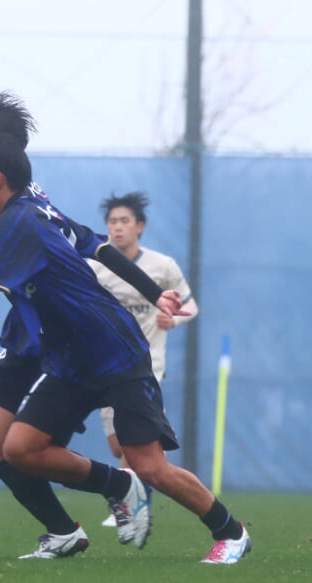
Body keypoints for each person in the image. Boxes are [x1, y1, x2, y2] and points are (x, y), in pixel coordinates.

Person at [0, 137, 251, 564]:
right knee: (19, 449)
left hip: (114, 352)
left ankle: (231, 532)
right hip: (69, 359)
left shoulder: (20, 222)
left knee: (150, 465)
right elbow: (96, 247)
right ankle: (118, 486)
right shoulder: (19, 212)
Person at [90, 191, 199, 527]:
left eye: (124, 221)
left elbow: (191, 305)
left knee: (135, 440)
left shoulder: (162, 266)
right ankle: (148, 482)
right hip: (105, 365)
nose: (117, 227)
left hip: (147, 366)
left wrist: (173, 319)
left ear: (140, 226)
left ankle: (129, 501)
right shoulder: (95, 267)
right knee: (118, 446)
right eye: (112, 221)